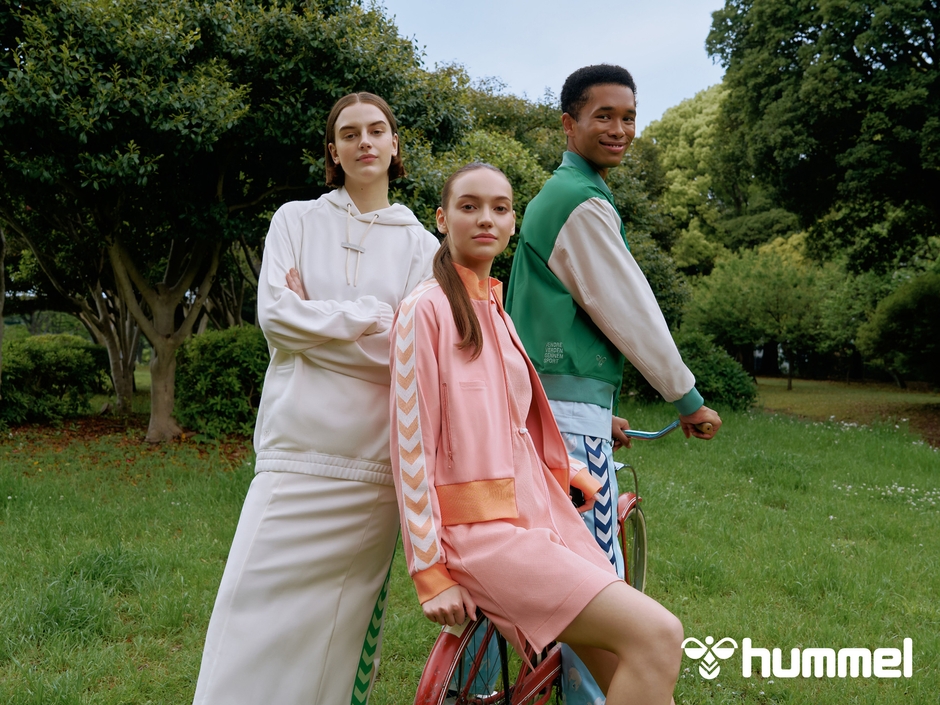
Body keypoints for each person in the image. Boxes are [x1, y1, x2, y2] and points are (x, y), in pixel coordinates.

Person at [390, 163, 684, 705]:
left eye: (500, 208)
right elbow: (412, 446)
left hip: (541, 519)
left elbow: (512, 422)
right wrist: (429, 572)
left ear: (512, 223)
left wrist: (565, 471)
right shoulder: (424, 310)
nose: (486, 219)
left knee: (630, 664)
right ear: (442, 219)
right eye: (469, 206)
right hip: (483, 536)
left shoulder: (494, 306)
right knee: (658, 635)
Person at [193, 92, 439, 705]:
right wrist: (369, 317)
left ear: (395, 145)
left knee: (338, 638)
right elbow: (276, 320)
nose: (364, 142)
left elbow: (411, 358)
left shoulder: (422, 247)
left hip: (371, 467)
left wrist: (316, 324)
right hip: (293, 452)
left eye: (376, 130)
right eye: (349, 133)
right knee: (244, 615)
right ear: (333, 151)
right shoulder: (295, 220)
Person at [505, 63, 722, 704]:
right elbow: (632, 313)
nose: (620, 129)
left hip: (551, 408)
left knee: (557, 576)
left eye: (629, 117)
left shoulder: (565, 195)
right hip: (567, 426)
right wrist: (687, 399)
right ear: (568, 124)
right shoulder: (579, 201)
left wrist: (602, 414)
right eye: (603, 115)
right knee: (597, 592)